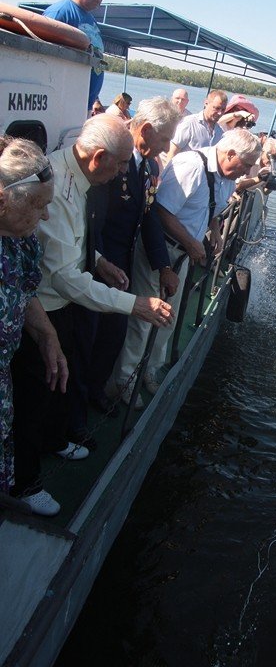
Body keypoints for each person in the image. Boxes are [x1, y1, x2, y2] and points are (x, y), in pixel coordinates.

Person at [10, 116, 174, 515]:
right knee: (32, 396)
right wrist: (134, 303)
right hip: (42, 309)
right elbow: (65, 277)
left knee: (58, 383)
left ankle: (54, 440)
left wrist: (98, 261)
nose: (123, 173)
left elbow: (71, 243)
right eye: (120, 165)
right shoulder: (61, 191)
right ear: (99, 157)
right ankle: (23, 483)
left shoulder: (73, 177)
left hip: (60, 307)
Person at [112, 128, 261, 406]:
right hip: (161, 250)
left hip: (183, 254)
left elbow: (211, 209)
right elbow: (159, 212)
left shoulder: (226, 175)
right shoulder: (191, 166)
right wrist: (191, 243)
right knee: (145, 318)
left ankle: (151, 369)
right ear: (229, 154)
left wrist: (215, 228)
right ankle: (124, 380)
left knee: (170, 315)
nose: (245, 172)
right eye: (243, 165)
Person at [87, 97, 181, 412]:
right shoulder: (117, 156)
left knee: (112, 337)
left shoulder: (143, 165)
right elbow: (94, 219)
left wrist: (164, 266)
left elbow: (147, 216)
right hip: (99, 268)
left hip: (120, 268)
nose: (167, 148)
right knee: (91, 340)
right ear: (148, 129)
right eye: (166, 139)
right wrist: (99, 261)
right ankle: (77, 413)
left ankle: (95, 394)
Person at [0, 137, 68, 515]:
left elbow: (24, 292)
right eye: (38, 206)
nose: (44, 217)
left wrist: (47, 335)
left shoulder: (20, 242)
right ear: (4, 198)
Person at [43, 0, 111, 114]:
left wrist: (96, 99)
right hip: (62, 107)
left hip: (84, 106)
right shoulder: (60, 13)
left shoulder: (90, 19)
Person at [162, 90, 228, 169]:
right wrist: (165, 177)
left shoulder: (220, 133)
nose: (220, 113)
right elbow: (172, 152)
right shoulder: (189, 123)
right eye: (216, 108)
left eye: (223, 110)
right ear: (206, 103)